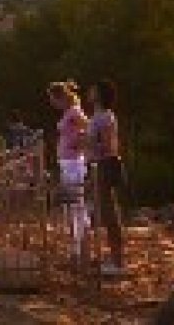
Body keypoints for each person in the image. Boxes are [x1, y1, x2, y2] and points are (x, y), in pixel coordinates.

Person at [87, 79, 126, 276]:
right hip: (97, 166)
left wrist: (92, 146)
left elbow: (110, 146)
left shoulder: (105, 117)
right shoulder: (97, 116)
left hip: (105, 166)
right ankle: (111, 256)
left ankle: (118, 261)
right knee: (102, 213)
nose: (90, 91)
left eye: (93, 89)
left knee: (110, 213)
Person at [48, 80, 90, 261]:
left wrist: (77, 143)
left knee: (76, 205)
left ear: (60, 97)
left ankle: (81, 249)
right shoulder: (69, 112)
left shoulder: (74, 112)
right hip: (67, 161)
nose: (51, 103)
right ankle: (78, 248)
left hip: (73, 162)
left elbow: (87, 127)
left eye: (52, 98)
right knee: (72, 205)